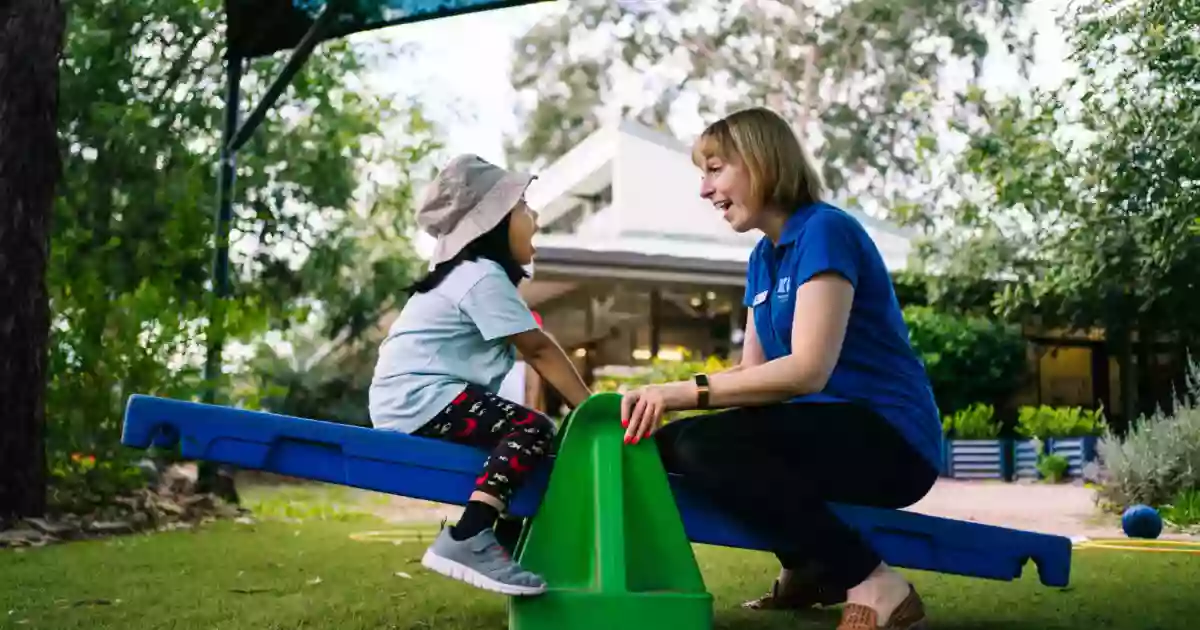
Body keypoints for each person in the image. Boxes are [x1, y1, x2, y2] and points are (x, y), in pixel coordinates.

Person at [618, 108, 942, 630]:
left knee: (704, 444)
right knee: (670, 443)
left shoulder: (825, 230)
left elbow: (807, 372)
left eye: (716, 169)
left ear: (760, 162)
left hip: (890, 439)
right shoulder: (762, 260)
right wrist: (662, 405)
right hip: (826, 431)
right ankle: (809, 567)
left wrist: (679, 391)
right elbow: (753, 381)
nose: (705, 189)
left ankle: (877, 584)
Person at [368, 154, 592, 597]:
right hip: (422, 397)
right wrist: (591, 410)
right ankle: (471, 534)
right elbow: (539, 349)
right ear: (494, 223)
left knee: (521, 450)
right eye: (524, 207)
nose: (536, 217)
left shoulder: (464, 275)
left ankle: (503, 544)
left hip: (411, 398)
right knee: (530, 427)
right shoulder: (480, 275)